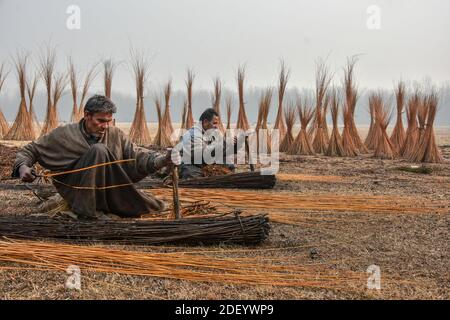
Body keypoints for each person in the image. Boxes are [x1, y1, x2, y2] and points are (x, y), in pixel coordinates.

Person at [13, 95, 179, 219]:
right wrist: (23, 167)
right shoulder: (64, 134)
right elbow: (30, 150)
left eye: (109, 121)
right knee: (99, 150)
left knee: (154, 206)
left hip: (110, 191)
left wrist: (163, 160)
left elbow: (137, 156)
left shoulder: (115, 135)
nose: (105, 126)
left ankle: (108, 206)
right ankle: (88, 212)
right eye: (101, 121)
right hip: (77, 191)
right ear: (87, 115)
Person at [179, 108, 239, 179]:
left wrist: (233, 146)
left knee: (229, 166)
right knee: (193, 176)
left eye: (217, 123)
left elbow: (222, 152)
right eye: (214, 123)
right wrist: (224, 143)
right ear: (205, 122)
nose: (217, 126)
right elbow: (200, 155)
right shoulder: (193, 134)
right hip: (192, 163)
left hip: (208, 161)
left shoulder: (215, 132)